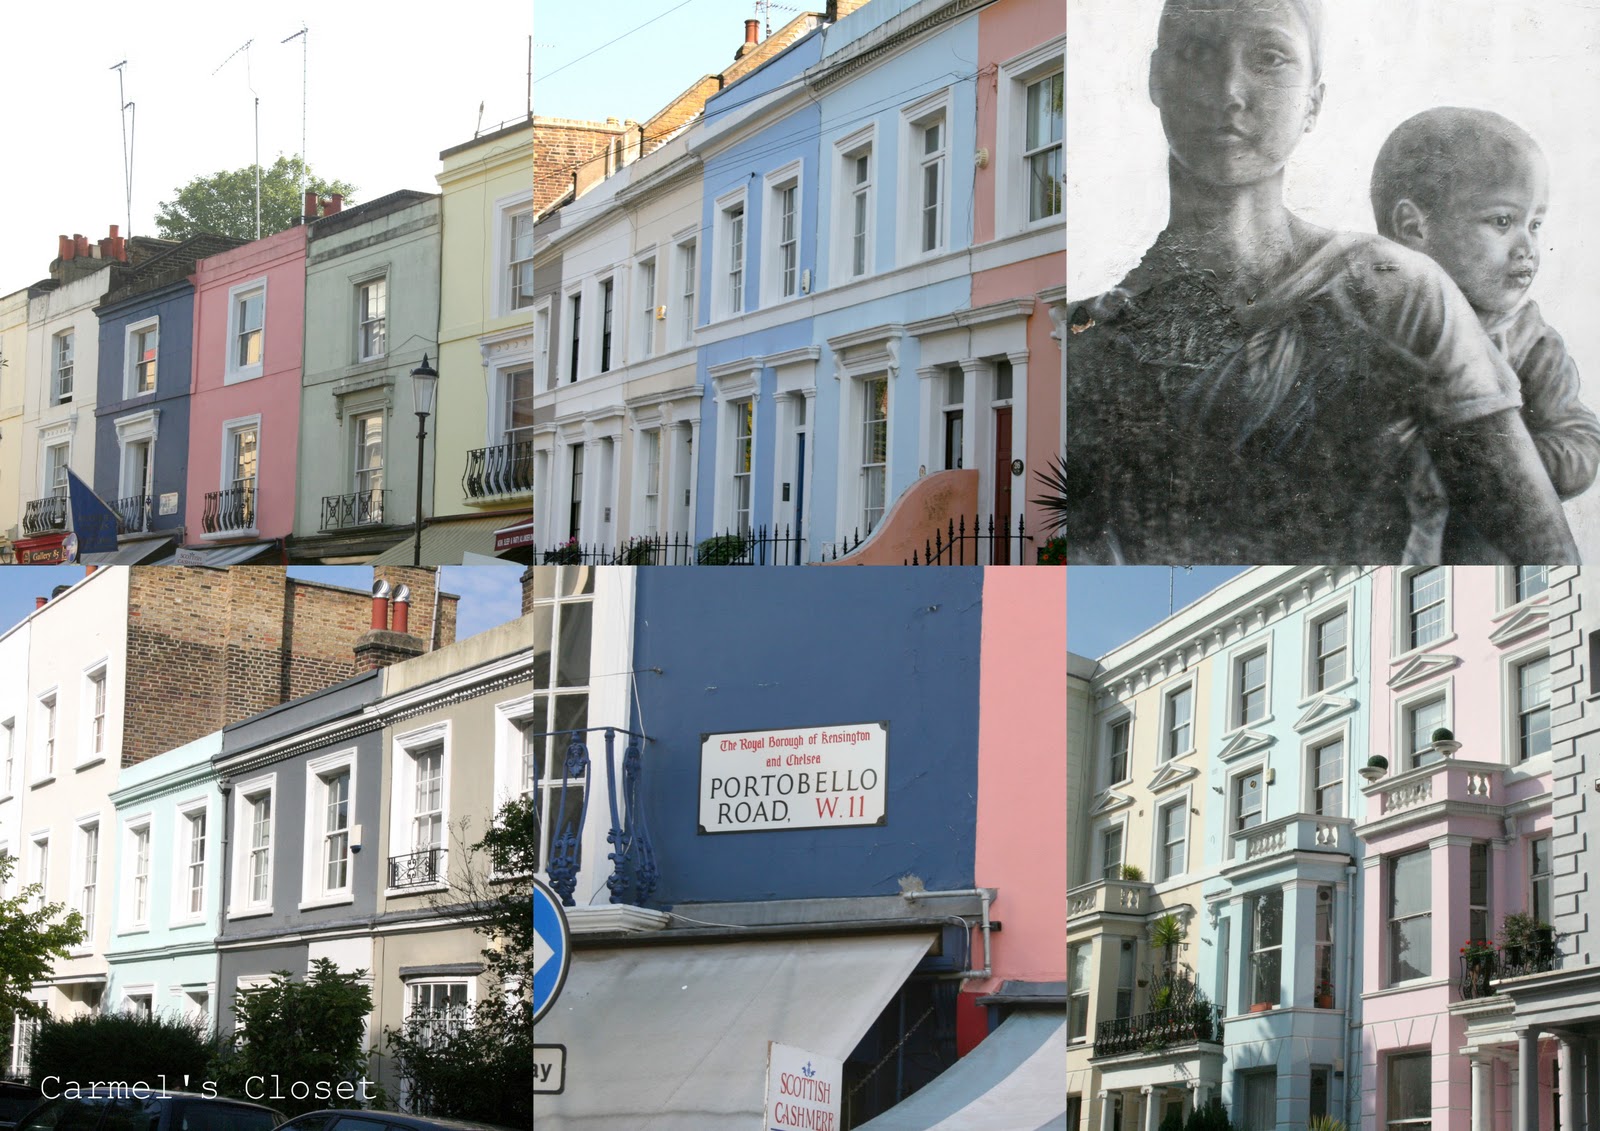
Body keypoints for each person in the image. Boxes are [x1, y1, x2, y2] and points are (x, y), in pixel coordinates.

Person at [1065, 0, 1580, 563]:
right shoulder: (1093, 335)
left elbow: (1545, 554)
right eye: (1198, 53)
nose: (1229, 90)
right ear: (1157, 77)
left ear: (1314, 100)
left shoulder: (1394, 291)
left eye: (1269, 57)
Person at [1371, 107, 1600, 559]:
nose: (1528, 247)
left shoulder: (1531, 341)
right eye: (1502, 222)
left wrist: (1499, 464)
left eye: (1534, 225)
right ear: (1413, 227)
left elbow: (1581, 442)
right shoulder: (1368, 324)